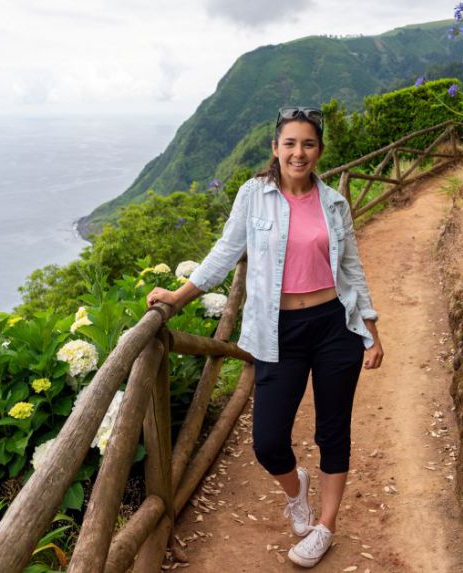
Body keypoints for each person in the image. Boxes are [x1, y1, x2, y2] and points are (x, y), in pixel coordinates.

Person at [146, 106, 383, 568]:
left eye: (308, 144)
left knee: (334, 430)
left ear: (319, 151)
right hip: (278, 331)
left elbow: (351, 270)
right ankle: (297, 491)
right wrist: (178, 296)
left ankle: (325, 528)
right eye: (290, 143)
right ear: (275, 149)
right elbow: (224, 252)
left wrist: (371, 331)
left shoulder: (334, 202)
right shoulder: (253, 195)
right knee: (268, 441)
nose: (299, 152)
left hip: (335, 325)